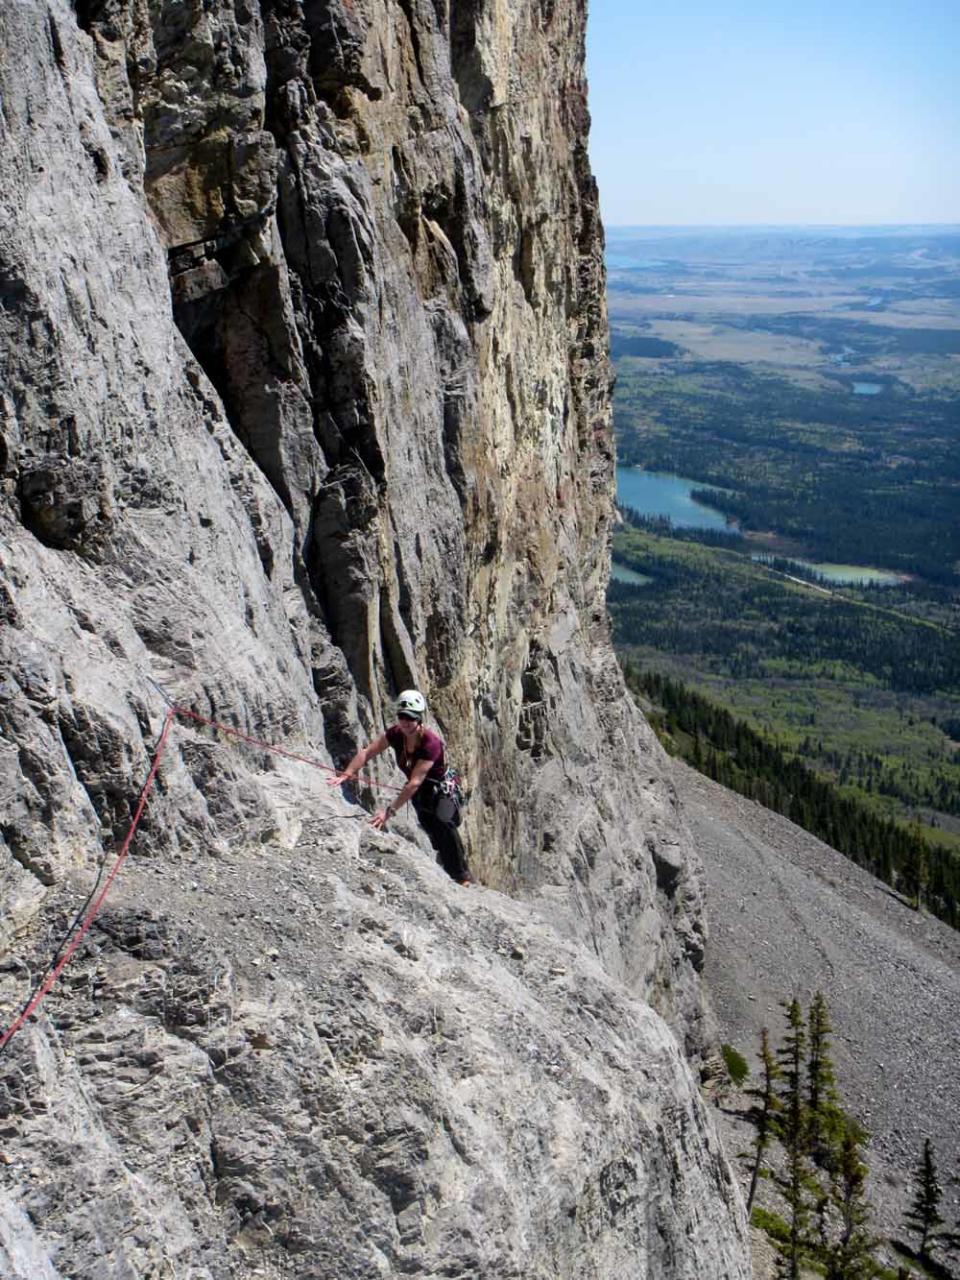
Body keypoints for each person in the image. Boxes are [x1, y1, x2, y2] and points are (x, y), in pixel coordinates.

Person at [329, 690, 474, 886]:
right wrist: (347, 773)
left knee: (444, 823)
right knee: (432, 832)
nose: (405, 722)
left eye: (411, 718)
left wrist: (388, 812)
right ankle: (448, 866)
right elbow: (368, 752)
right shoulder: (396, 734)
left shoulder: (431, 743)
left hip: (440, 789)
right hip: (420, 792)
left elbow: (414, 782)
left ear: (419, 719)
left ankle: (462, 876)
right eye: (402, 717)